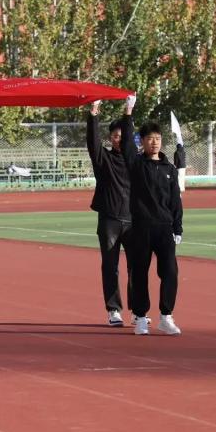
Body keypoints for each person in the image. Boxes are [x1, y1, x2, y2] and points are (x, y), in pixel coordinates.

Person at [120, 95, 183, 336]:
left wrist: (178, 228)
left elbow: (175, 201)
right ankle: (140, 317)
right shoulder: (136, 165)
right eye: (149, 139)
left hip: (164, 228)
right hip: (141, 227)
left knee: (170, 272)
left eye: (157, 138)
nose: (154, 143)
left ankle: (166, 316)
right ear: (143, 142)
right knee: (139, 272)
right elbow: (127, 145)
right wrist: (128, 113)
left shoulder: (169, 169)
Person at [87, 100, 133, 326]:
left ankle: (138, 310)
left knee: (137, 267)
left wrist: (129, 112)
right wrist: (93, 113)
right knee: (110, 266)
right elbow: (92, 143)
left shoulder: (135, 161)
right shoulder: (103, 159)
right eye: (116, 136)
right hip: (109, 221)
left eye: (123, 136)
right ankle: (114, 310)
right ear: (110, 138)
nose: (119, 139)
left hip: (134, 221)